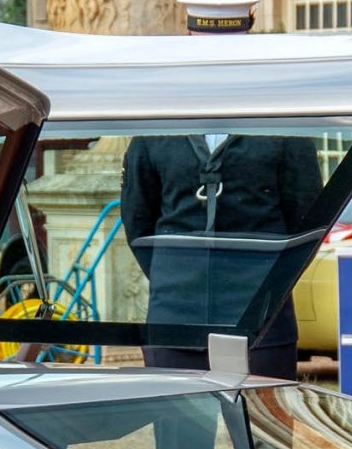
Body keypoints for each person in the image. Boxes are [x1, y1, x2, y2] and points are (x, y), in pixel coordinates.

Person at [120, 133, 322, 377]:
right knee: (175, 414)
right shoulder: (157, 128)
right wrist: (175, 277)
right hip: (174, 316)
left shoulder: (280, 126)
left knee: (261, 414)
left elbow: (308, 220)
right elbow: (138, 219)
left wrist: (272, 281)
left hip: (261, 314)